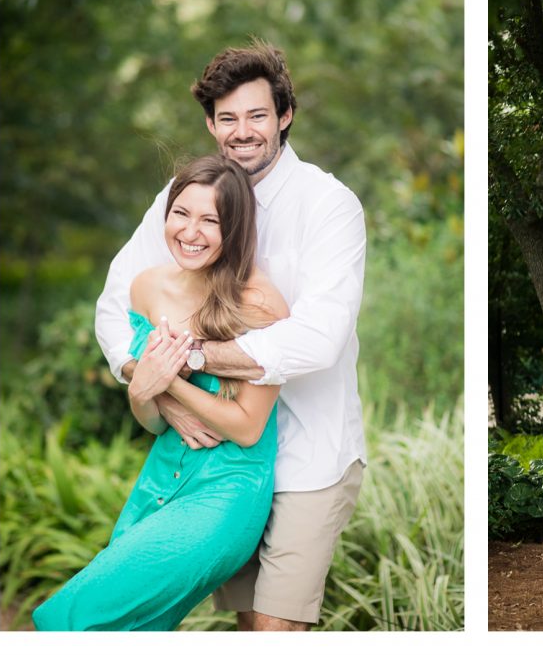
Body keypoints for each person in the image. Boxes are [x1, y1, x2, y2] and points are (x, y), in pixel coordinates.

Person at [94, 41, 367, 631]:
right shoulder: (187, 199)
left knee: (274, 629)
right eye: (227, 119)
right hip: (217, 462)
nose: (242, 132)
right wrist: (144, 377)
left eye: (257, 116)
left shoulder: (329, 205)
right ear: (211, 124)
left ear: (285, 115)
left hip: (307, 456)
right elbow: (117, 304)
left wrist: (186, 359)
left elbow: (318, 339)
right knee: (245, 626)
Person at [34, 155, 289, 630]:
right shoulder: (147, 288)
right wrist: (145, 392)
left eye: (210, 220)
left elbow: (249, 427)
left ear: (234, 228)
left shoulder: (258, 303)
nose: (191, 231)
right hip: (157, 480)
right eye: (182, 213)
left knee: (74, 615)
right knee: (135, 627)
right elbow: (151, 420)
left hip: (225, 492)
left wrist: (166, 378)